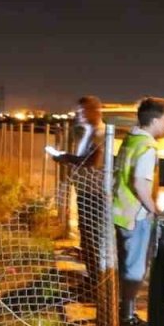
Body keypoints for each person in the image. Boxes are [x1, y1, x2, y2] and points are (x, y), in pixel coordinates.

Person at [112, 96, 164, 326]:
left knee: (126, 265)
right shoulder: (147, 147)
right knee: (135, 268)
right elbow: (139, 184)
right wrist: (155, 211)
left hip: (121, 212)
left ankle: (122, 311)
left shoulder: (131, 139)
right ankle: (126, 317)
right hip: (135, 217)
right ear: (155, 120)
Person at [52, 96, 107, 282]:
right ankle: (93, 280)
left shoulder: (99, 133)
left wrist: (66, 157)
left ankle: (96, 284)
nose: (79, 115)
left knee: (92, 239)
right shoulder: (90, 132)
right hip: (86, 191)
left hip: (94, 193)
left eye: (83, 111)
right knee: (87, 238)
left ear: (95, 111)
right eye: (79, 111)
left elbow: (93, 162)